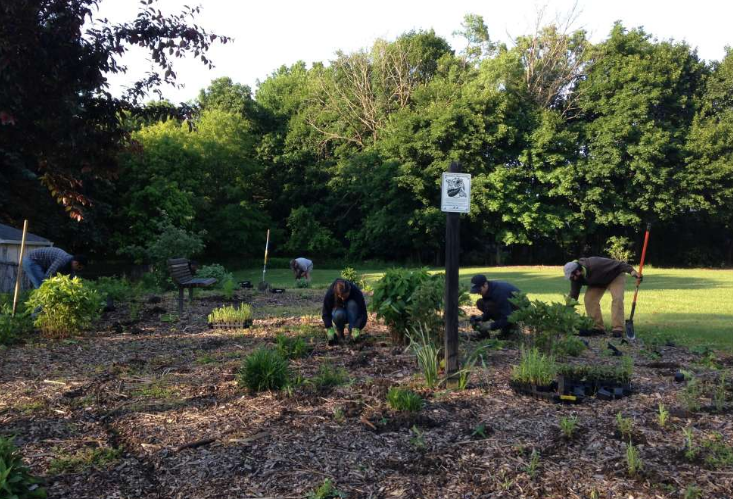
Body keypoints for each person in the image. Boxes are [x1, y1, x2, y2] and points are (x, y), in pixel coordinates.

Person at [564, 257, 642, 337]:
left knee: (617, 298)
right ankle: (598, 328)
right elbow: (574, 295)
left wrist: (632, 272)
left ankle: (618, 329)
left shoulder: (595, 264)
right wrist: (566, 311)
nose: (572, 279)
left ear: (577, 272)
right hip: (598, 282)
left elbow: (620, 265)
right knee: (589, 300)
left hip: (614, 276)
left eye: (572, 276)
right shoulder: (576, 279)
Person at [322, 278, 367, 345]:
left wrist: (357, 327)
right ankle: (340, 334)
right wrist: (329, 328)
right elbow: (326, 313)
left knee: (352, 304)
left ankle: (352, 333)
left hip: (352, 314)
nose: (343, 298)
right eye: (341, 296)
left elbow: (363, 313)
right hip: (340, 314)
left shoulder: (356, 292)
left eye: (345, 296)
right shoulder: (331, 293)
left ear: (349, 290)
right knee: (338, 314)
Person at [22, 247, 87, 289]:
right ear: (75, 263)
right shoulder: (62, 260)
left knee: (47, 286)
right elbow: (48, 275)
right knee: (43, 286)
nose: (78, 270)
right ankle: (38, 310)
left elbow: (71, 280)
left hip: (40, 263)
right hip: (31, 260)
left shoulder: (71, 263)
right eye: (79, 268)